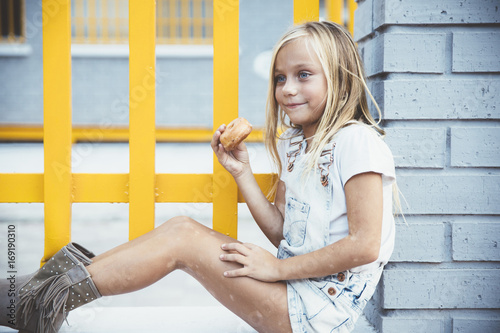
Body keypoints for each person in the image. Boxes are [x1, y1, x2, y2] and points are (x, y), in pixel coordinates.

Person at [1, 21, 396, 333]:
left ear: (340, 77)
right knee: (180, 228)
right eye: (279, 78)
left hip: (317, 314)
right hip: (293, 292)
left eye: (303, 74)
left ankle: (40, 299)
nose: (287, 89)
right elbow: (284, 234)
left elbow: (365, 245)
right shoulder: (297, 145)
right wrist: (241, 172)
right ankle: (41, 295)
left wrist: (277, 269)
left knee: (183, 239)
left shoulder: (356, 142)